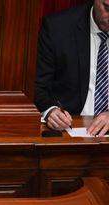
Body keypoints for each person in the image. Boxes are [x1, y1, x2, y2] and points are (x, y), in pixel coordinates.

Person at [34, 0, 109, 137]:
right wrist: (51, 111)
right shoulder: (57, 28)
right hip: (72, 130)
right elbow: (39, 87)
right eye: (107, 8)